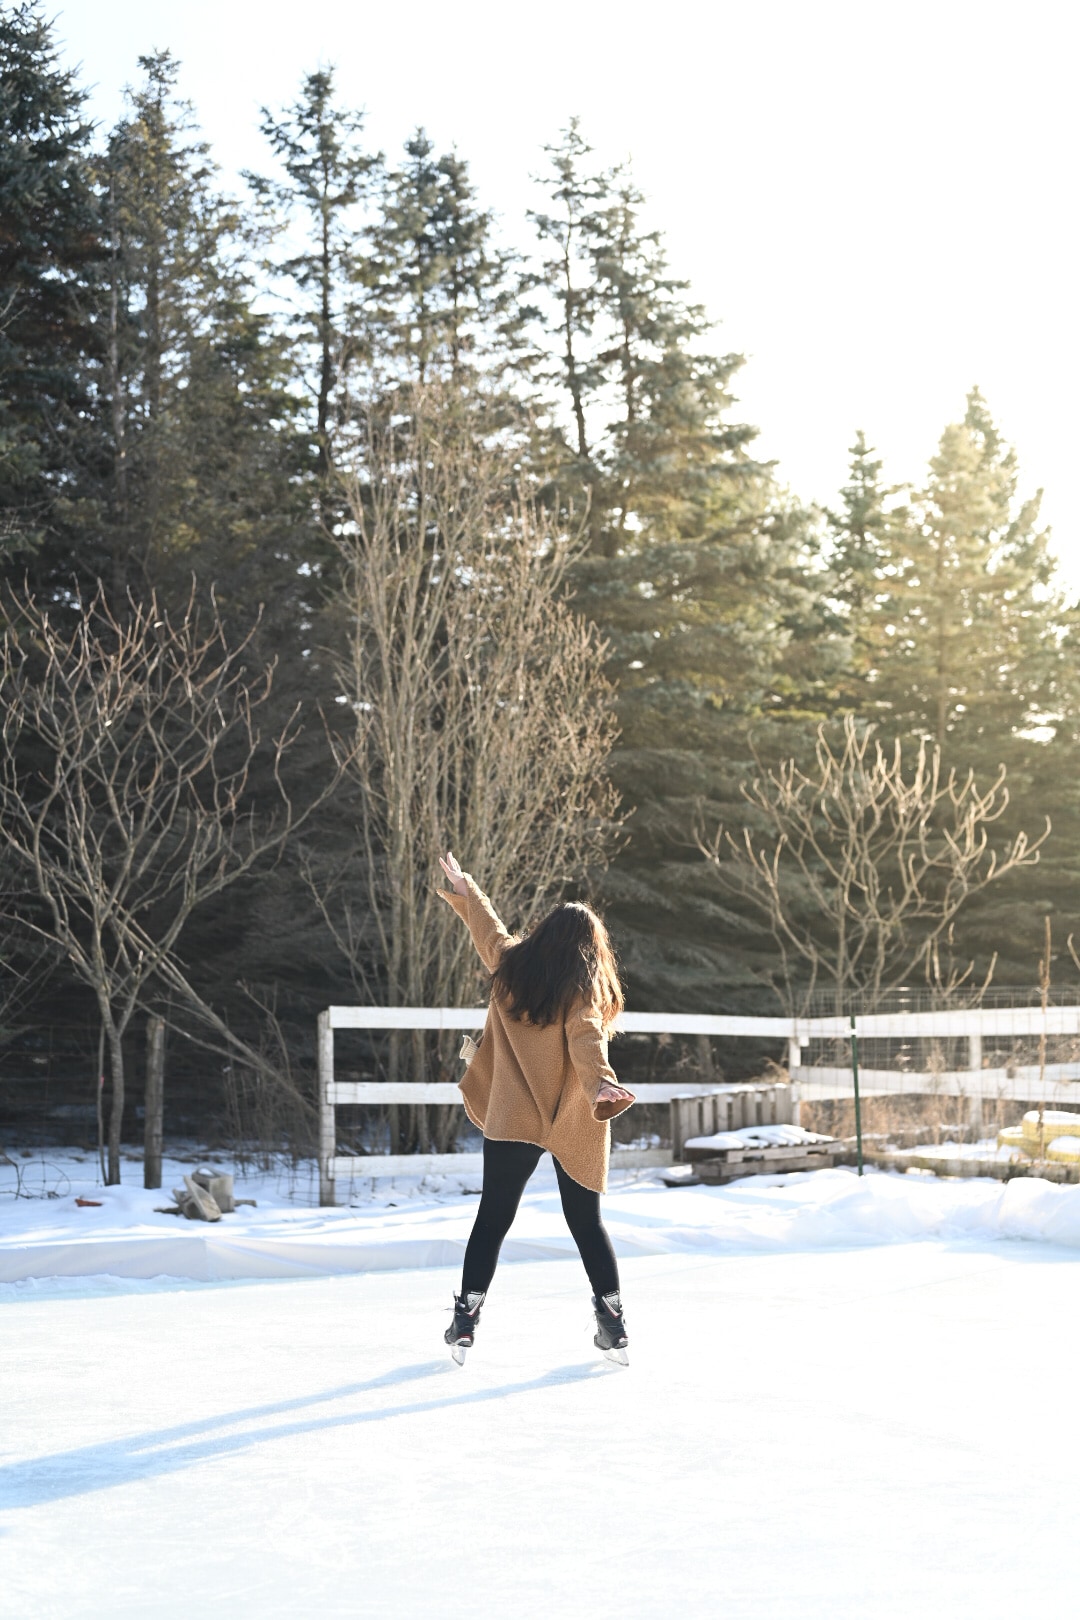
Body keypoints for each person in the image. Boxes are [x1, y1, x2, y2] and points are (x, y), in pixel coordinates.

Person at [437, 851, 636, 1366]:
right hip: (573, 1115)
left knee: (493, 1216)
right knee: (586, 1222)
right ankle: (613, 1325)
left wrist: (467, 886)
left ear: (543, 935)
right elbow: (587, 1037)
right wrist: (601, 1085)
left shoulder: (509, 966)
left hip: (515, 1115)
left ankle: (465, 1320)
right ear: (592, 951)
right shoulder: (583, 991)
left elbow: (488, 929)